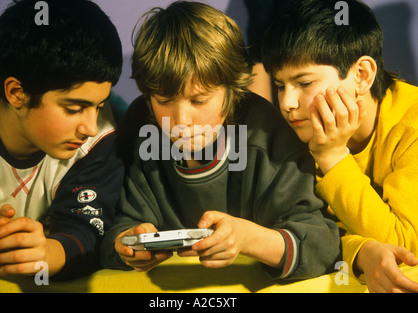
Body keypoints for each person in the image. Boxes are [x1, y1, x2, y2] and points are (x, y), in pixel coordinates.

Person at [101, 1, 340, 281]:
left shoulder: (266, 137)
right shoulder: (141, 126)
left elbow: (322, 244)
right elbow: (110, 228)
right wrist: (127, 243)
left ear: (232, 92)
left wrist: (248, 239)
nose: (181, 120)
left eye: (199, 100)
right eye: (164, 101)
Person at [261, 0, 418, 292]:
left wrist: (332, 156)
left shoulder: (412, 127)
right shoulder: (298, 129)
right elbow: (308, 232)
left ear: (361, 75)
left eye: (304, 83)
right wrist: (361, 253)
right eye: (280, 86)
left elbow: (405, 249)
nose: (287, 104)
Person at [0, 0, 124, 280]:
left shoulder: (102, 138)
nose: (90, 126)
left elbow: (84, 233)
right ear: (17, 93)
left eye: (99, 106)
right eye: (73, 109)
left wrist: (44, 254)